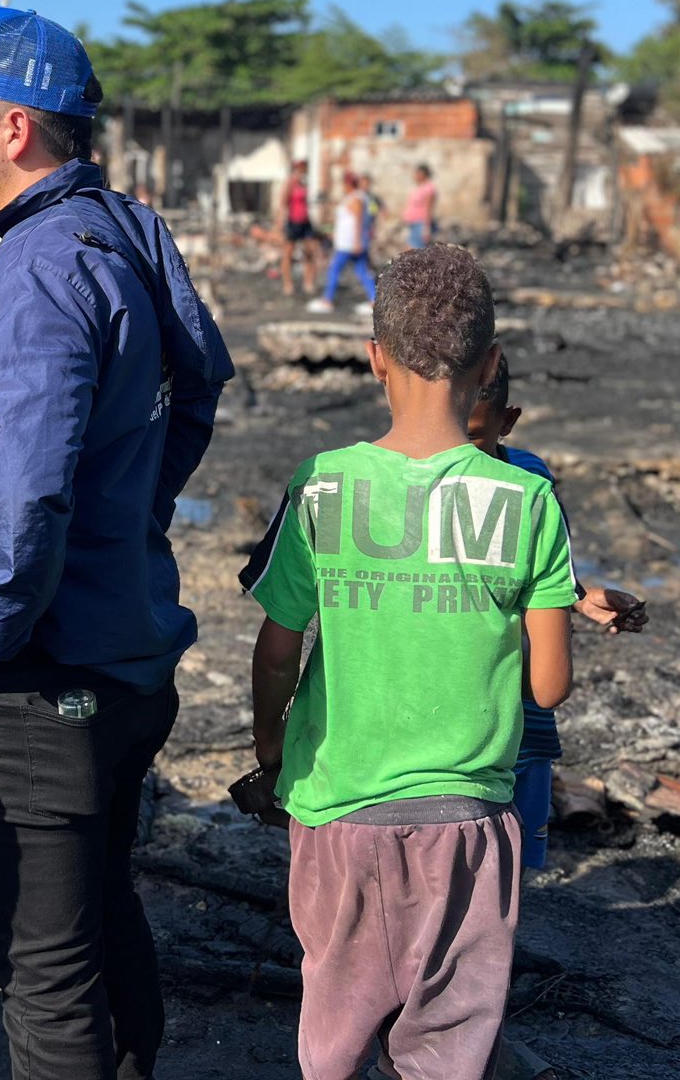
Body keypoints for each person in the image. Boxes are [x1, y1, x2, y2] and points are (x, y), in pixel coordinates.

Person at [0, 6, 234, 1080]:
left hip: (46, 671)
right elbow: (197, 389)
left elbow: (21, 476)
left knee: (39, 971)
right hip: (118, 643)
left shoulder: (38, 267)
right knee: (94, 908)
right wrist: (131, 517)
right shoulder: (121, 231)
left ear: (18, 131)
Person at [245, 243, 575, 1080]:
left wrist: (270, 750)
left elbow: (279, 650)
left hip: (335, 808)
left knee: (334, 1023)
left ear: (375, 360)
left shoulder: (322, 485)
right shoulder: (529, 500)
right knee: (448, 1040)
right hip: (468, 817)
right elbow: (549, 685)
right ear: (491, 365)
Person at [466, 356, 647, 872]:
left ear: (508, 422)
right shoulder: (413, 483)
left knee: (512, 852)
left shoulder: (531, 478)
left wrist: (584, 598)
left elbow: (547, 572)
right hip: (456, 697)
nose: (463, 458)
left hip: (524, 698)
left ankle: (496, 949)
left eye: (477, 442)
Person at [307, 170, 376, 315]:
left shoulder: (357, 199)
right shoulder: (352, 197)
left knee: (334, 269)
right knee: (362, 270)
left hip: (349, 244)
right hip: (348, 242)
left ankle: (327, 299)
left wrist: (357, 241)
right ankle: (374, 300)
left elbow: (358, 221)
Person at [277, 159, 323, 299]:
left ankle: (308, 282)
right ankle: (287, 283)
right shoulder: (289, 184)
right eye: (300, 170)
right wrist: (280, 223)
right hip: (293, 222)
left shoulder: (304, 184)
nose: (302, 172)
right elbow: (283, 204)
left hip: (305, 221)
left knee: (309, 252)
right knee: (288, 254)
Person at [403, 163, 437, 251]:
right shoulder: (419, 187)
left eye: (417, 173)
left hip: (420, 223)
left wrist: (426, 227)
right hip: (413, 223)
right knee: (409, 250)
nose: (415, 176)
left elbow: (428, 208)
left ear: (423, 174)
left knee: (418, 252)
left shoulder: (429, 188)